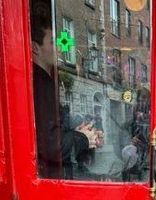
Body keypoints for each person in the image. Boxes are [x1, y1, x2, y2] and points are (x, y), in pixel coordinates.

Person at [30, 13, 98, 179]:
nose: (59, 48)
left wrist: (77, 132)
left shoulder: (45, 81)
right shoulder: (40, 84)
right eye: (53, 42)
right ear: (35, 48)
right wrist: (82, 137)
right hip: (49, 178)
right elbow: (49, 145)